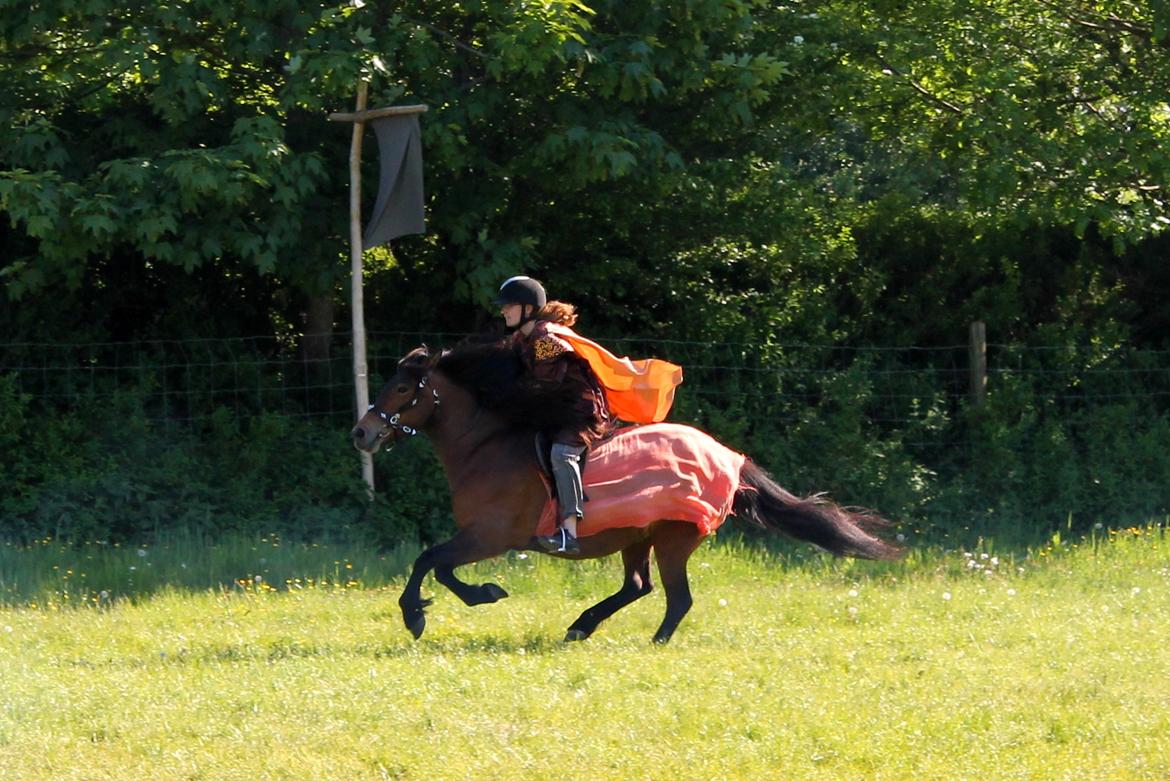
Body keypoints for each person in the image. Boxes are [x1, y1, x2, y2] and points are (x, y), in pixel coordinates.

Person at [494, 276, 683, 554]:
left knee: (562, 455)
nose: (503, 311)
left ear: (528, 309)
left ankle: (568, 532)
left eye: (508, 305)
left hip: (581, 413)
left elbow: (542, 383)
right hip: (556, 411)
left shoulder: (547, 340)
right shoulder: (524, 338)